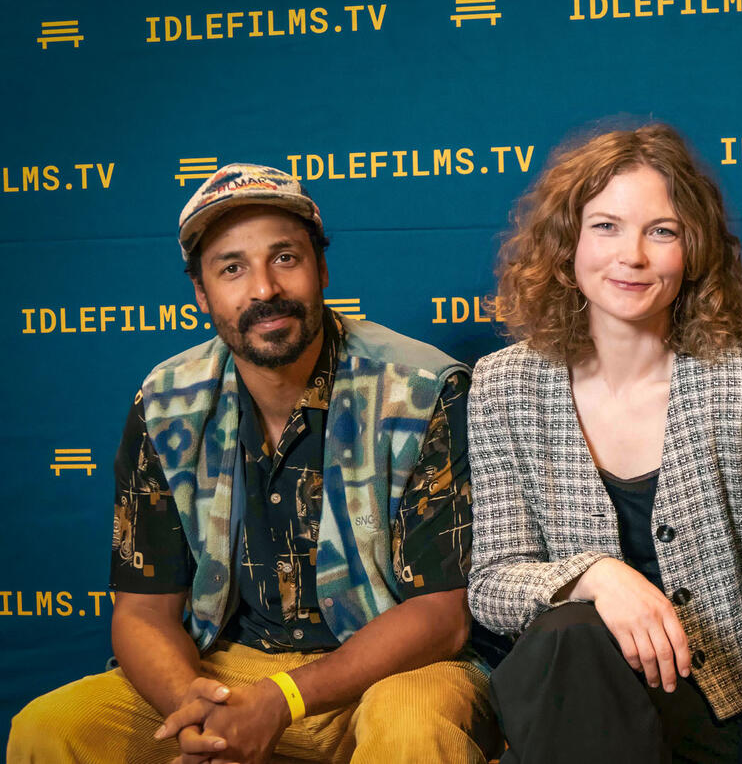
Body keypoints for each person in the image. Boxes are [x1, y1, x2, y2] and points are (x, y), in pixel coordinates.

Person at [8, 163, 502, 764]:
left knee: (413, 727)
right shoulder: (167, 401)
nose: (263, 289)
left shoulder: (421, 387)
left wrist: (283, 699)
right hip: (232, 669)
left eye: (285, 258)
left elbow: (440, 617)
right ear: (202, 293)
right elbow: (142, 612)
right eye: (232, 268)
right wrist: (194, 707)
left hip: (392, 669)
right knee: (51, 728)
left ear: (321, 268)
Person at [467, 123, 742, 763]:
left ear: (694, 251)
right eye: (606, 227)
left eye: (662, 231)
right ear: (567, 246)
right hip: (577, 707)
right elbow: (493, 587)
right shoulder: (504, 385)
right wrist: (597, 576)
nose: (633, 256)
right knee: (572, 632)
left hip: (723, 711)